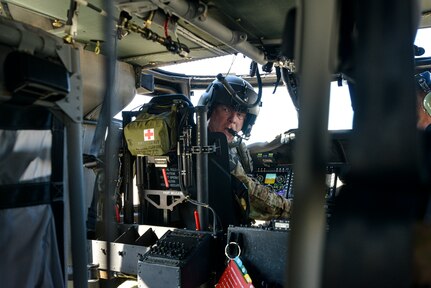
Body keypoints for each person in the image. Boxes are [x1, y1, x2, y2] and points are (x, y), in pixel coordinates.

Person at [198, 74, 291, 221]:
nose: (233, 120)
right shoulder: (214, 151)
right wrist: (291, 209)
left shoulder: (193, 140)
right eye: (226, 109)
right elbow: (250, 194)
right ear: (209, 109)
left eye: (240, 115)